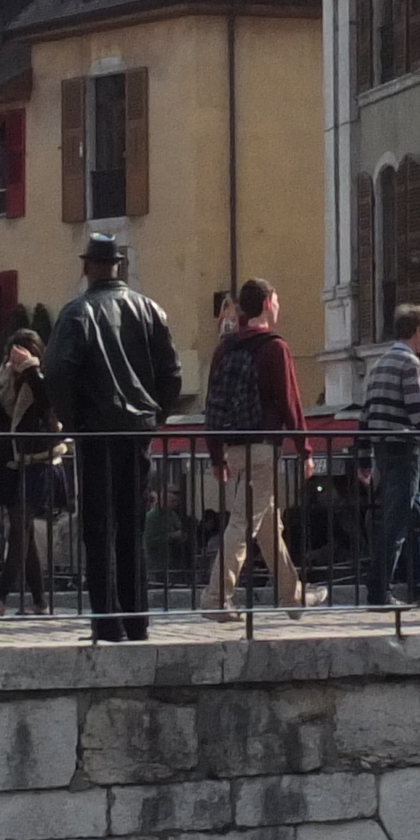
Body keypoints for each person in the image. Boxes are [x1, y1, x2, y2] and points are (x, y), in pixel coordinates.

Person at [44, 233, 182, 644]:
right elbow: (171, 373)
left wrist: (74, 423)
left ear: (87, 267)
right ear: (119, 265)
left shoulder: (76, 314)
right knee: (131, 526)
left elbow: (58, 372)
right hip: (136, 432)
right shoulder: (150, 310)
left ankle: (107, 621)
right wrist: (154, 415)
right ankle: (137, 619)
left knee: (98, 527)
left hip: (96, 432)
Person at [199, 279, 310, 611]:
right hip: (263, 447)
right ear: (265, 304)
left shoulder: (225, 348)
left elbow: (212, 404)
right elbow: (291, 403)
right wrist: (305, 449)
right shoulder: (275, 347)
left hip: (233, 447)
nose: (278, 306)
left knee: (267, 525)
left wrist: (217, 457)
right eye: (276, 300)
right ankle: (217, 597)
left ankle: (294, 595)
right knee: (244, 521)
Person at [350, 303, 420, 607]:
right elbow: (419, 414)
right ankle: (379, 591)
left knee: (416, 516)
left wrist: (363, 459)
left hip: (382, 450)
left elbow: (366, 416)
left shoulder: (378, 365)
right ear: (417, 332)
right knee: (397, 523)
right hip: (404, 450)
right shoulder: (410, 364)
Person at [0, 324, 63, 617]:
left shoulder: (42, 378)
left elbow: (48, 401)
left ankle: (0, 597)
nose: (14, 360)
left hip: (38, 462)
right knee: (24, 534)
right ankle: (40, 602)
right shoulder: (8, 380)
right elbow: (2, 416)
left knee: (19, 530)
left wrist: (30, 368)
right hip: (14, 463)